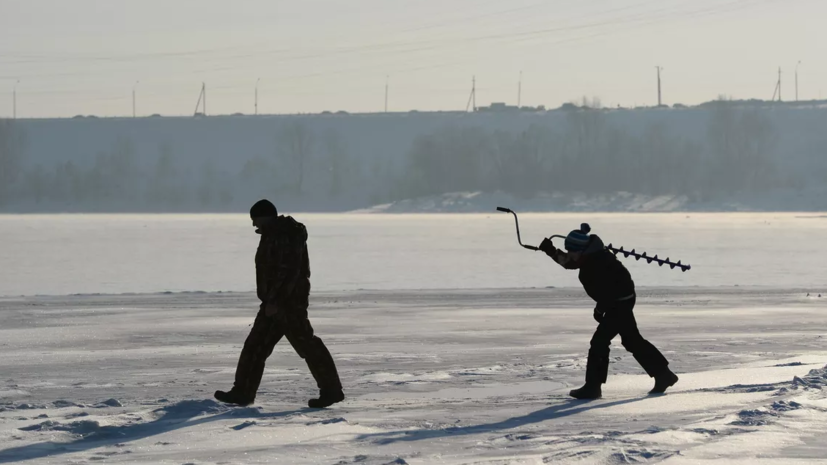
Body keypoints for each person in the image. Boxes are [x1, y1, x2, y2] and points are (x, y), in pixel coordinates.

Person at [215, 199, 344, 408]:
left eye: (255, 219)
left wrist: (276, 300)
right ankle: (242, 392)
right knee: (255, 347)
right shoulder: (272, 234)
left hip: (287, 304)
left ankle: (332, 390)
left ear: (265, 216)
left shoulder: (286, 234)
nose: (253, 225)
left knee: (307, 345)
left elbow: (288, 271)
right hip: (273, 303)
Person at [538, 223, 678, 399]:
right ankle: (664, 375)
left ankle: (592, 387)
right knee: (632, 340)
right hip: (619, 302)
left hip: (618, 303)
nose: (570, 255)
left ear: (582, 250)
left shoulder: (599, 263)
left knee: (599, 342)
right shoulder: (589, 256)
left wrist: (600, 308)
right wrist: (551, 251)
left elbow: (609, 291)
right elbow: (570, 263)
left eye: (572, 251)